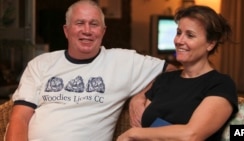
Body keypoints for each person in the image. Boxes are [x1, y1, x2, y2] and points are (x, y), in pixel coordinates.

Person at [4, 0, 176, 141]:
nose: (87, 30)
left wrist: (142, 95)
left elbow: (174, 72)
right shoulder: (40, 64)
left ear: (103, 31)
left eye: (94, 24)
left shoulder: (123, 61)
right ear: (66, 30)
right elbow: (20, 118)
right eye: (79, 23)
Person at [118, 5, 239, 141]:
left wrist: (132, 133)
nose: (179, 41)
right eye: (178, 32)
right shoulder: (164, 79)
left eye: (190, 35)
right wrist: (138, 98)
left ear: (210, 44)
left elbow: (191, 135)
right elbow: (145, 128)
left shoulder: (221, 84)